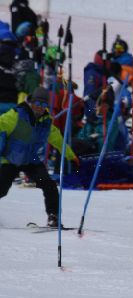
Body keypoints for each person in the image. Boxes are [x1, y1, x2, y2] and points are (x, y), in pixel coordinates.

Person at [0, 87, 77, 227]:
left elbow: (57, 139)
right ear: (31, 102)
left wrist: (70, 156)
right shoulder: (16, 115)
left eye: (44, 104)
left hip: (30, 159)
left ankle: (53, 217)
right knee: (2, 188)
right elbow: (1, 125)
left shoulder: (46, 122)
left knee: (49, 185)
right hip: (10, 159)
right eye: (37, 103)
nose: (40, 107)